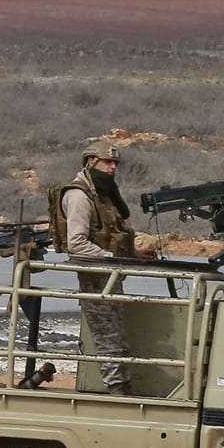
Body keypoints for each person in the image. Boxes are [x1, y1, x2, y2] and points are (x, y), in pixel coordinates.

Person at [50, 141, 154, 395]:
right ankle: (117, 390)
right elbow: (76, 244)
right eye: (107, 162)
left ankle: (121, 386)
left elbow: (111, 233)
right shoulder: (79, 196)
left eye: (115, 163)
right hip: (95, 275)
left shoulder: (102, 196)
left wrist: (133, 255)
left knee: (116, 335)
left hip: (109, 273)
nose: (112, 168)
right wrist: (109, 258)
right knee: (108, 337)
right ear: (90, 162)